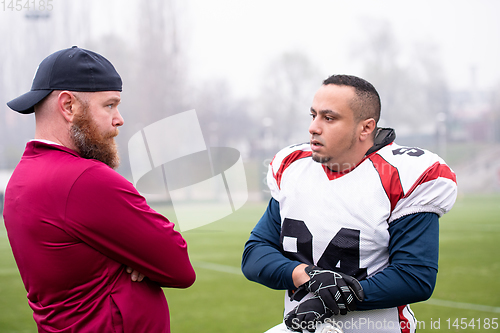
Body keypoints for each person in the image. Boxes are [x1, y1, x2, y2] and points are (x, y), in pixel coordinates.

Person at [241, 74, 457, 333]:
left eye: (329, 118)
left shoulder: (401, 174)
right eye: (313, 115)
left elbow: (414, 277)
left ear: (365, 128)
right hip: (302, 327)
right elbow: (255, 253)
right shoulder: (292, 167)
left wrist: (329, 301)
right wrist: (306, 275)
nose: (314, 127)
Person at [3, 46, 196, 333]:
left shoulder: (22, 176)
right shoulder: (85, 179)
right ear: (68, 106)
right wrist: (136, 259)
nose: (119, 119)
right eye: (109, 105)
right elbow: (179, 267)